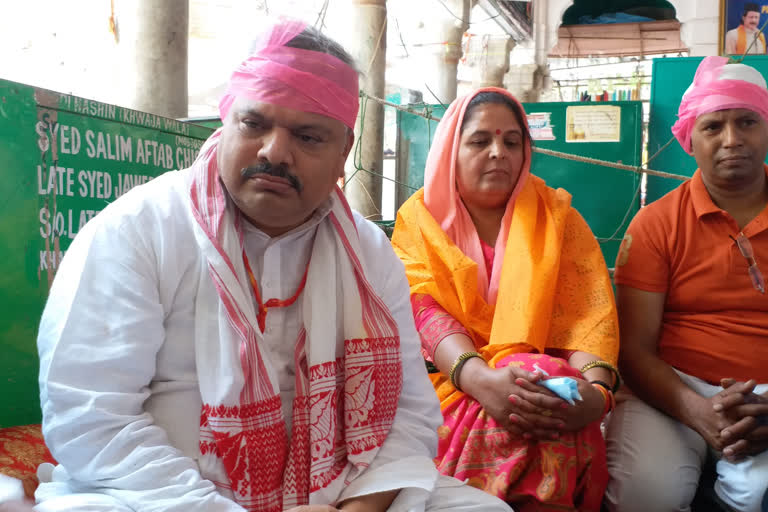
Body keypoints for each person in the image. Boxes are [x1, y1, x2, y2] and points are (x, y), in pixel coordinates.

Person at [28, 19, 511, 512]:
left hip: (339, 491)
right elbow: (91, 417)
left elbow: (406, 411)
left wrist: (360, 510)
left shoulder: (368, 252)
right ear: (226, 119)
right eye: (254, 124)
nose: (275, 152)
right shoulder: (138, 230)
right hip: (159, 496)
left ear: (344, 152)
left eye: (308, 136)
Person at [390, 87, 620, 511]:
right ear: (449, 150)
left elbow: (589, 317)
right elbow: (423, 310)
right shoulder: (419, 219)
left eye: (512, 142)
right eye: (480, 141)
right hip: (447, 380)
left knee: (542, 382)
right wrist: (480, 380)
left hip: (551, 389)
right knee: (531, 383)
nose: (499, 152)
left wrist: (597, 394)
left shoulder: (558, 217)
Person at [605, 56, 768, 512]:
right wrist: (697, 410)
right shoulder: (656, 225)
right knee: (642, 495)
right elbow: (634, 350)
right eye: (713, 126)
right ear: (689, 140)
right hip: (670, 392)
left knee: (760, 494)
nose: (732, 139)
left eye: (748, 121)